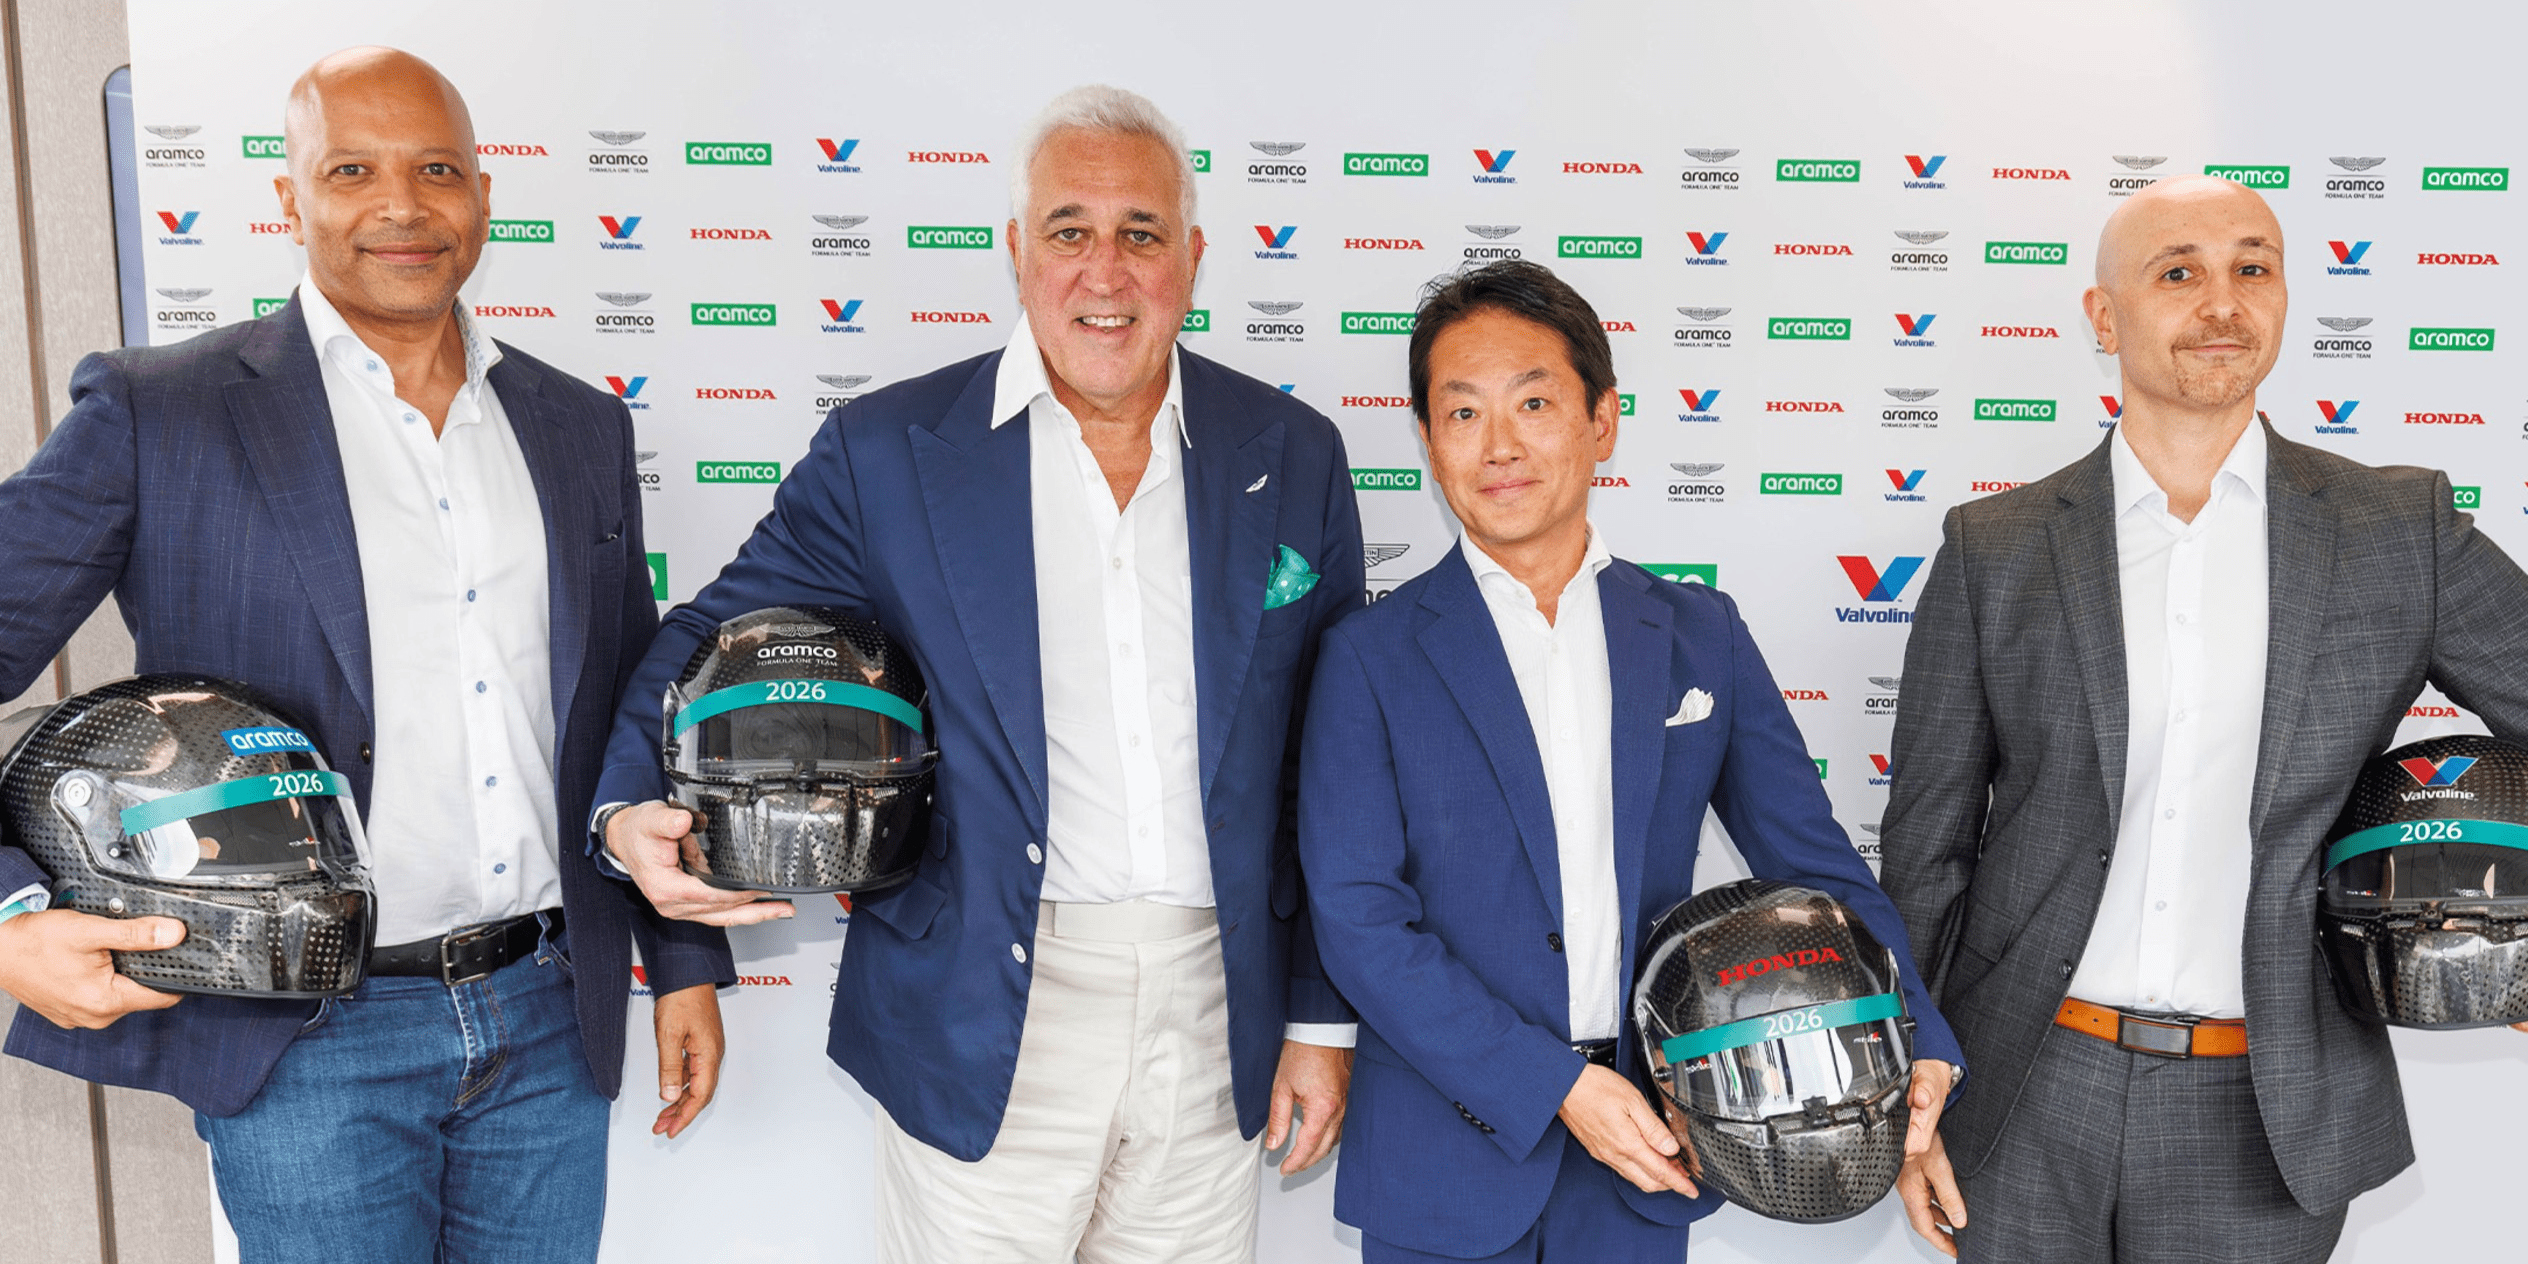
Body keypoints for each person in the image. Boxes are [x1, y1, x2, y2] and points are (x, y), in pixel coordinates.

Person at [592, 84, 1362, 1263]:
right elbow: (705, 637)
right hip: (985, 1003)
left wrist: (1317, 1012)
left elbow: (1334, 757)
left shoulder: (1294, 451)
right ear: (1015, 253)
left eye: (1139, 234)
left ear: (1193, 256)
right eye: (1068, 231)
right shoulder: (890, 452)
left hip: (1217, 1016)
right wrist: (617, 809)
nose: (1103, 272)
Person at [0, 47, 732, 1263]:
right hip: (304, 1031)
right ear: (288, 201)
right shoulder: (159, 412)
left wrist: (686, 958)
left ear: (483, 197)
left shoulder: (579, 425)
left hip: (548, 1012)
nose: (402, 206)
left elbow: (623, 711)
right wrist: (10, 913)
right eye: (352, 169)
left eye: (436, 169)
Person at [1880, 175, 2528, 1263]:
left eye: (2251, 268)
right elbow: (1925, 848)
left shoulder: (2394, 529)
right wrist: (1904, 1079)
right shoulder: (1994, 547)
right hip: (2021, 1084)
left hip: (2267, 1108)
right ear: (2102, 316)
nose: (2219, 302)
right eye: (2176, 272)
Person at [1295, 259, 1963, 1263]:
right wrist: (1552, 1086)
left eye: (1533, 401)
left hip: (1654, 1146)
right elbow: (1357, 917)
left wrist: (1914, 1045)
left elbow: (1817, 870)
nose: (1500, 444)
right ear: (1429, 445)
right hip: (1445, 1154)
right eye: (1462, 413)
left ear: (1601, 419)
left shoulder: (1698, 635)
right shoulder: (1366, 654)